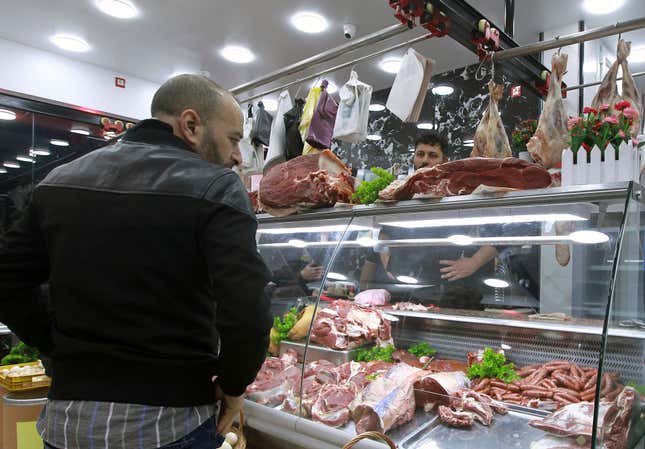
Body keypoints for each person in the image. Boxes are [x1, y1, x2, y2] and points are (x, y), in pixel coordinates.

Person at [0, 74, 272, 449]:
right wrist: (234, 383)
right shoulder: (217, 186)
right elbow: (247, 309)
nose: (238, 156)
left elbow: (6, 280)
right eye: (233, 139)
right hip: (171, 423)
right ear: (191, 125)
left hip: (67, 424)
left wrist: (62, 347)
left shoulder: (58, 181)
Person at [364, 132, 498, 308]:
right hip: (408, 290)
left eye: (432, 155)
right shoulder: (403, 193)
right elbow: (383, 231)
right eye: (420, 154)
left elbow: (501, 230)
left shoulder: (459, 190)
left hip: (453, 292)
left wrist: (475, 262)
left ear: (444, 160)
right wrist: (388, 261)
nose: (425, 160)